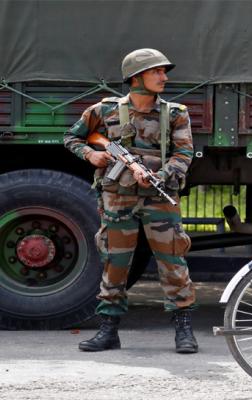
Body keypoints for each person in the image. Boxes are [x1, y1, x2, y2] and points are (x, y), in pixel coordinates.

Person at [64, 48, 198, 353]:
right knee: (115, 263)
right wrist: (91, 154)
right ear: (136, 77)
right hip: (117, 198)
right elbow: (72, 137)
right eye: (157, 71)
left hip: (160, 199)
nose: (164, 77)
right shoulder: (105, 110)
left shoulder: (175, 113)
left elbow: (184, 154)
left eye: (164, 72)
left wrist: (160, 176)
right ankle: (108, 331)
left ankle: (184, 331)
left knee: (172, 262)